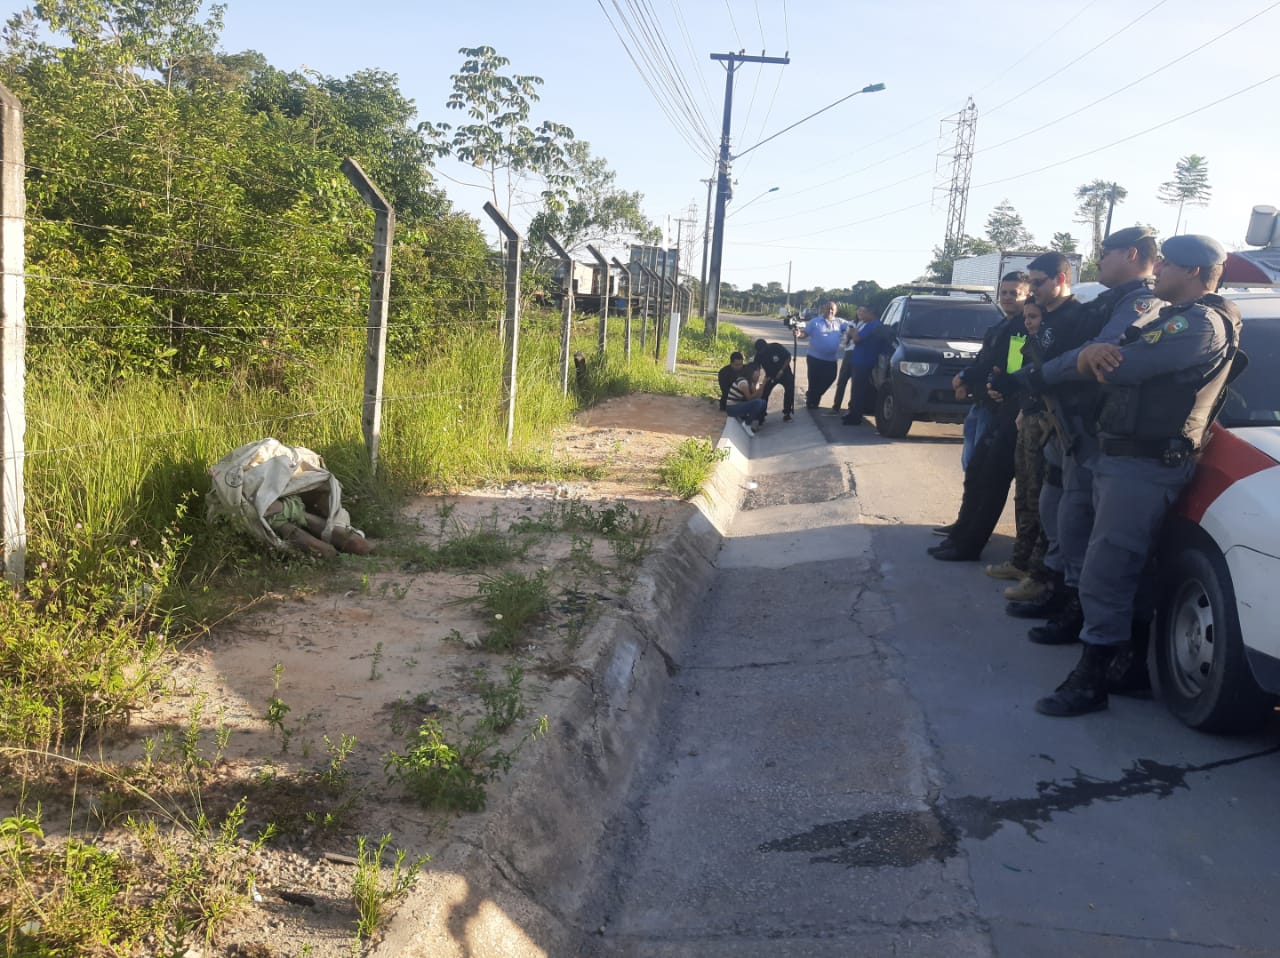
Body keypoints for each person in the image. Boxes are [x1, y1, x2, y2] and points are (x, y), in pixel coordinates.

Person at [1035, 234, 1242, 716]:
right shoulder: (1175, 317)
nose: (1158, 269)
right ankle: (1127, 668)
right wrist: (1092, 355)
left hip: (1145, 464)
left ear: (1192, 271)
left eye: (1167, 263)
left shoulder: (1198, 323)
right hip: (1128, 459)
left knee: (1107, 569)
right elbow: (1113, 355)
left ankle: (1092, 678)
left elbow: (1117, 366)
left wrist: (1093, 358)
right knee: (1121, 566)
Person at [997, 236, 1163, 645]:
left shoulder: (1141, 303)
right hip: (1070, 425)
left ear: (1131, 254)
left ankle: (1075, 606)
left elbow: (1096, 352)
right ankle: (1058, 589)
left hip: (1096, 432)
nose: (1099, 260)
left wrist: (1037, 376)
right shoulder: (1105, 300)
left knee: (1076, 522)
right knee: (1056, 510)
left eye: (1105, 254)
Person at [928, 273, 1030, 561]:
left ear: (1027, 295)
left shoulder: (1022, 328)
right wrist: (966, 378)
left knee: (987, 476)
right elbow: (984, 359)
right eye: (1004, 292)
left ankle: (970, 540)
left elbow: (1011, 369)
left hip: (1004, 408)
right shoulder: (1001, 325)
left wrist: (982, 381)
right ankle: (962, 528)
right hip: (983, 403)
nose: (1008, 297)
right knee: (974, 471)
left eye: (1015, 293)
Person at [797, 301, 848, 409]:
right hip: (814, 358)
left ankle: (812, 395)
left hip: (831, 359)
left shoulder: (840, 322)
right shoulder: (815, 322)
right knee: (814, 381)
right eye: (828, 308)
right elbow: (804, 334)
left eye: (832, 309)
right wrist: (798, 334)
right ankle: (812, 403)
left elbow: (853, 326)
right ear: (823, 309)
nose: (830, 311)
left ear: (836, 311)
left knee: (831, 378)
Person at [842, 306, 887, 426]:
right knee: (857, 390)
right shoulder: (872, 324)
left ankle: (855, 417)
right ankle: (853, 413)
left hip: (863, 362)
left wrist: (853, 332)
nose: (862, 315)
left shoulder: (873, 325)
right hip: (862, 360)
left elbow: (857, 339)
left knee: (858, 391)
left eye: (865, 312)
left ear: (871, 313)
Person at [753, 338, 797, 422]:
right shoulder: (758, 355)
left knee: (790, 390)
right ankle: (761, 416)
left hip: (784, 373)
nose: (761, 352)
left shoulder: (775, 347)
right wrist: (757, 381)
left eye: (762, 350)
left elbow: (788, 357)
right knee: (764, 394)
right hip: (770, 376)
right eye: (759, 351)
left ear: (766, 347)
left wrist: (782, 370)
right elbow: (756, 368)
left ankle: (787, 413)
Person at [831, 310, 864, 412]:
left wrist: (854, 334)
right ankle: (836, 406)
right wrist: (850, 335)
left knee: (855, 383)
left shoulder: (866, 325)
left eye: (863, 311)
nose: (860, 313)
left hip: (859, 354)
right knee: (842, 380)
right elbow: (846, 338)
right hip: (849, 352)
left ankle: (852, 407)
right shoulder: (851, 323)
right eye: (859, 311)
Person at [725, 358, 767, 435]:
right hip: (731, 408)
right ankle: (747, 424)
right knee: (758, 402)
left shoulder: (750, 383)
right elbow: (750, 398)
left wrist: (762, 386)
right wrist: (761, 387)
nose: (759, 375)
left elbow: (758, 398)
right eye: (758, 372)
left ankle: (752, 421)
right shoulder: (743, 382)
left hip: (738, 405)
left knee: (763, 402)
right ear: (753, 372)